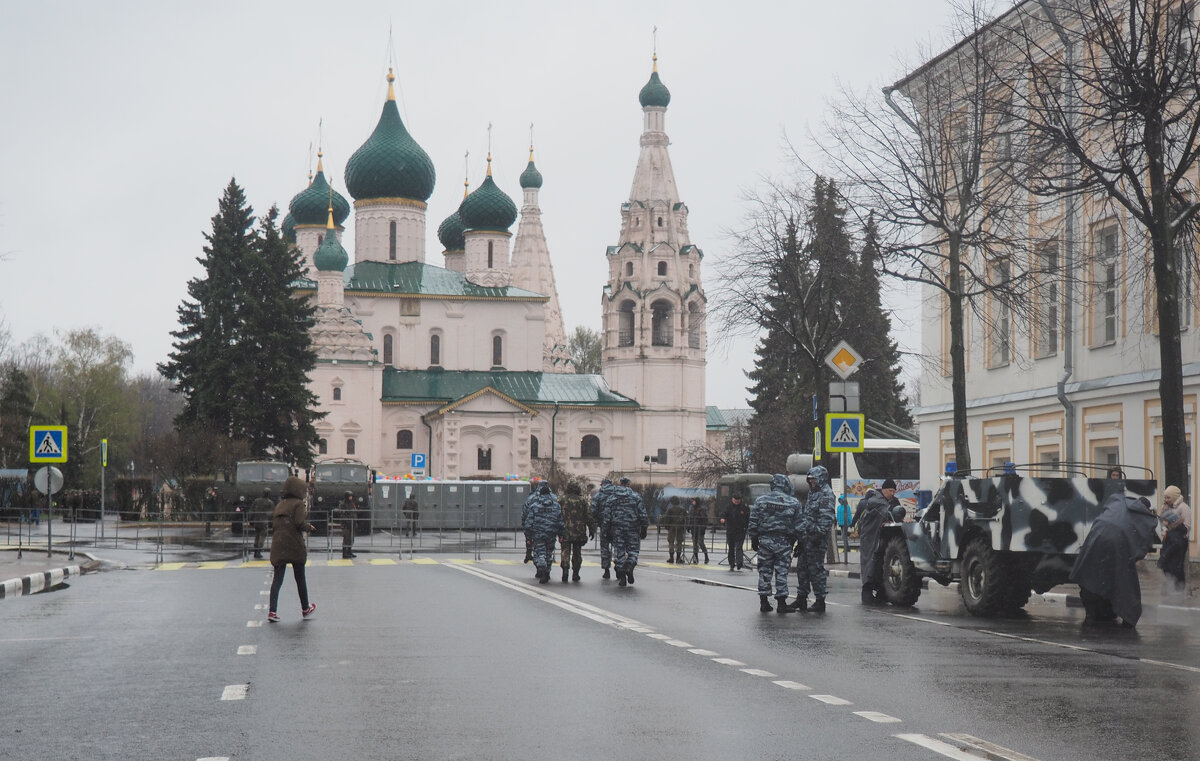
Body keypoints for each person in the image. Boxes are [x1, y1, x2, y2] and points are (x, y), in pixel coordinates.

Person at [1068, 491, 1158, 627]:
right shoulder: (1144, 517)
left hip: (1096, 535)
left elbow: (1106, 508)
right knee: (1124, 581)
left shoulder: (1119, 501)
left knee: (1089, 574)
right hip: (1118, 543)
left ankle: (1091, 614)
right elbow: (1143, 544)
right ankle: (1129, 617)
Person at [748, 474, 803, 613]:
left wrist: (754, 539)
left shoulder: (761, 501)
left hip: (765, 541)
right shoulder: (794, 502)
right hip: (784, 543)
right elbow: (799, 526)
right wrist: (800, 543)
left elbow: (753, 521)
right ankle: (781, 603)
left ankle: (764, 602)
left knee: (765, 572)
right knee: (781, 572)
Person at [268, 475, 316, 622]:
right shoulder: (298, 504)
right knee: (300, 578)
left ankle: (272, 611)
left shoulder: (280, 505)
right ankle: (305, 608)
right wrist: (309, 527)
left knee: (277, 579)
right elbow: (299, 522)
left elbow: (274, 525)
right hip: (294, 545)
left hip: (279, 545)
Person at [792, 464, 836, 613]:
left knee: (816, 569)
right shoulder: (813, 493)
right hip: (807, 537)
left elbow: (826, 517)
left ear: (821, 479)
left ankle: (820, 600)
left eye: (814, 479)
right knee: (802, 568)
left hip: (817, 538)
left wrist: (817, 535)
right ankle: (801, 598)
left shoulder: (826, 494)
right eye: (810, 479)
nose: (811, 482)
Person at [851, 480, 897, 605]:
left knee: (879, 565)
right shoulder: (875, 502)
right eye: (890, 490)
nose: (892, 493)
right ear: (884, 489)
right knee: (870, 564)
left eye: (894, 491)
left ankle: (880, 594)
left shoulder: (886, 502)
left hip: (878, 540)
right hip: (870, 539)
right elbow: (885, 512)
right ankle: (867, 594)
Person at [605, 477, 648, 586]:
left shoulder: (611, 498)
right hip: (632, 528)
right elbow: (642, 514)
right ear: (629, 484)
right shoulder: (636, 497)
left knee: (619, 552)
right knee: (633, 550)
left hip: (617, 529)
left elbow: (607, 517)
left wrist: (607, 531)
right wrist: (644, 528)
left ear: (620, 484)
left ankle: (622, 576)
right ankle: (630, 566)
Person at [522, 484, 564, 583]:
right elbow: (560, 521)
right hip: (551, 534)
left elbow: (529, 523)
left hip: (538, 534)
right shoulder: (556, 506)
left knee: (540, 553)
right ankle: (547, 572)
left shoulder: (534, 506)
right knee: (549, 554)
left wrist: (528, 536)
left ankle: (542, 568)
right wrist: (561, 534)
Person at [559, 482, 595, 582]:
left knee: (565, 551)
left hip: (564, 530)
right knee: (577, 552)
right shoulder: (582, 501)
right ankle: (575, 573)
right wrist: (592, 529)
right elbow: (589, 516)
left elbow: (556, 514)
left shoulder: (562, 500)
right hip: (579, 531)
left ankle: (565, 570)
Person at [1158, 485, 1191, 590]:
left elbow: (1186, 528)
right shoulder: (1168, 507)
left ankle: (1179, 590)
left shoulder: (1184, 507)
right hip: (1169, 538)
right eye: (1165, 497)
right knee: (1164, 564)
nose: (1166, 500)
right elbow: (1163, 523)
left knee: (1176, 567)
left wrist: (1172, 518)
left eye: (1168, 497)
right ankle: (1171, 588)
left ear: (1174, 497)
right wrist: (1164, 512)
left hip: (1179, 541)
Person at [591, 478, 617, 578]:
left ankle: (606, 570)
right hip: (616, 525)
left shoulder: (598, 495)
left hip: (604, 525)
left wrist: (596, 522)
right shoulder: (617, 494)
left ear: (602, 485)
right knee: (618, 547)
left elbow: (593, 511)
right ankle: (619, 567)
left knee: (605, 548)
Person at [721, 492, 751, 571]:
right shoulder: (728, 507)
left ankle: (739, 563)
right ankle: (731, 563)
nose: (736, 501)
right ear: (732, 499)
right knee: (731, 548)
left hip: (741, 530)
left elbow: (748, 518)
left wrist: (746, 527)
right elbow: (724, 514)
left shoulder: (744, 507)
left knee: (738, 547)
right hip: (731, 530)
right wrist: (723, 519)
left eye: (738, 500)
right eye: (735, 500)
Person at [661, 496, 688, 563]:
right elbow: (686, 518)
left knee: (671, 542)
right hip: (680, 528)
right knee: (679, 542)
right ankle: (678, 558)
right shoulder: (682, 509)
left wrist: (667, 526)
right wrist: (685, 527)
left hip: (672, 527)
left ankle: (671, 557)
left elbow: (667, 518)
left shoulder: (670, 509)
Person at [249, 488, 273, 560]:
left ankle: (256, 551)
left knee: (257, 536)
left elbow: (252, 511)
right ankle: (258, 550)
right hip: (264, 521)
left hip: (257, 521)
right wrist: (271, 522)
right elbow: (271, 513)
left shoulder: (257, 501)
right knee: (262, 536)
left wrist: (251, 519)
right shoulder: (270, 502)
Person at [334, 491, 357, 559]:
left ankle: (349, 551)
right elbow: (341, 512)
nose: (351, 497)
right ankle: (344, 553)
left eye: (351, 496)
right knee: (346, 538)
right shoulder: (343, 504)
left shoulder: (352, 503)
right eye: (349, 496)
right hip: (346, 524)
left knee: (351, 539)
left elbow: (354, 512)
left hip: (352, 523)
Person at [687, 497, 709, 564]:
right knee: (694, 544)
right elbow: (690, 519)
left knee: (701, 543)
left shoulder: (701, 509)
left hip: (700, 529)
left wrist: (703, 527)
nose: (692, 502)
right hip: (694, 529)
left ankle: (706, 556)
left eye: (694, 501)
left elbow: (705, 519)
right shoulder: (692, 509)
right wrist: (688, 526)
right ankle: (695, 557)